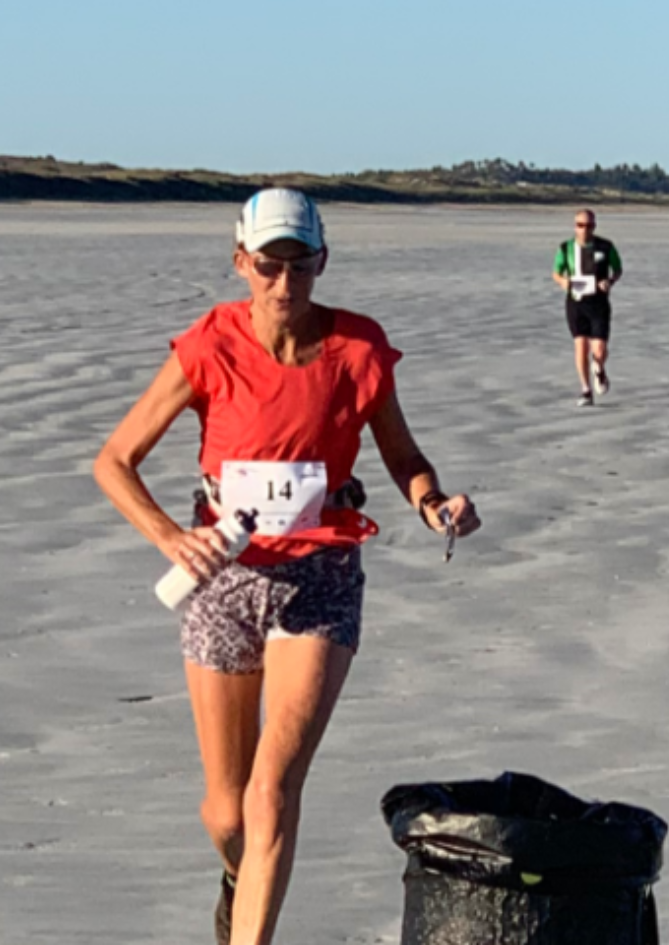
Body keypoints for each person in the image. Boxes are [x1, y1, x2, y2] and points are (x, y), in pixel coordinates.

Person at [93, 188, 481, 945]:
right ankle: (239, 881)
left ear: (321, 262)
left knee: (274, 789)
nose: (283, 283)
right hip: (225, 576)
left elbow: (403, 457)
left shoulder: (359, 350)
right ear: (242, 261)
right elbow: (113, 461)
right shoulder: (209, 346)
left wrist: (435, 503)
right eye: (268, 265)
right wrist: (173, 538)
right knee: (228, 811)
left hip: (321, 577)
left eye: (299, 265)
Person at [551, 208, 624, 406]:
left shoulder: (605, 247)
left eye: (589, 226)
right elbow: (556, 272)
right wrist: (563, 282)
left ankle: (598, 368)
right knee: (580, 346)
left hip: (598, 302)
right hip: (576, 302)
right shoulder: (565, 248)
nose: (585, 230)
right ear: (575, 227)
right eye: (580, 225)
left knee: (599, 349)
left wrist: (609, 281)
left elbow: (617, 269)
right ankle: (585, 389)